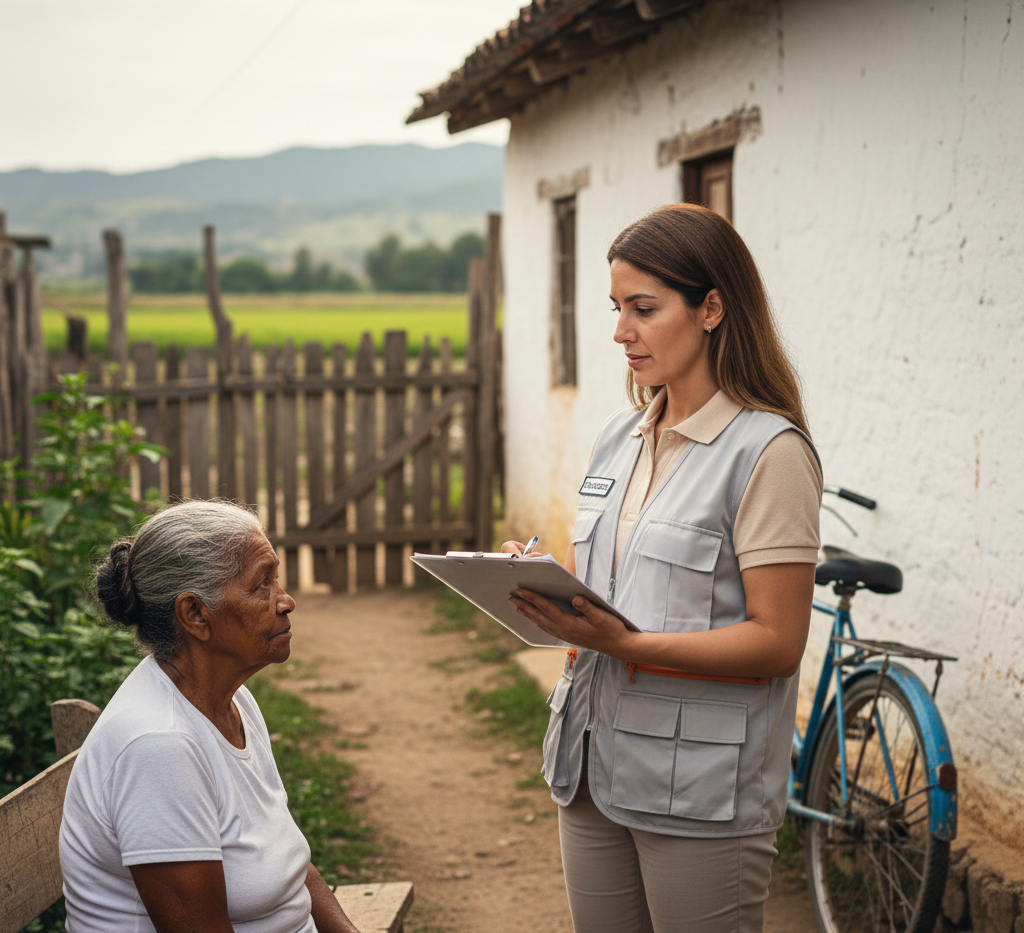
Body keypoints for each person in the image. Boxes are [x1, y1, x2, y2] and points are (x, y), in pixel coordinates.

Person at [504, 204, 822, 933]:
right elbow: (601, 591)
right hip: (589, 764)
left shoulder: (769, 454)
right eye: (616, 308)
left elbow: (778, 642)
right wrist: (540, 581)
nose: (621, 331)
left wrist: (630, 645)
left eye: (643, 309)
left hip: (700, 789)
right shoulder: (618, 437)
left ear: (712, 308)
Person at [59, 500, 361, 933]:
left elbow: (287, 862)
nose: (286, 601)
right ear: (195, 614)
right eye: (262, 583)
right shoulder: (159, 744)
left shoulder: (232, 702)